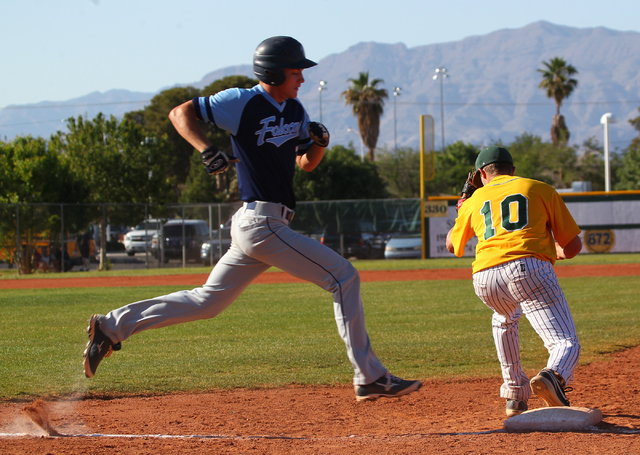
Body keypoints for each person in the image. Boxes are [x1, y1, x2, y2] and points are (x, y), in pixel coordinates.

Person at [83, 36, 421, 401]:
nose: (302, 79)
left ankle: (111, 326)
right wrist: (207, 149)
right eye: (296, 71)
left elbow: (305, 164)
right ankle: (370, 376)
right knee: (344, 277)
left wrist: (319, 143)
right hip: (260, 223)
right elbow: (180, 113)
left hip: (266, 225)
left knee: (207, 302)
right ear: (273, 72)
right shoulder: (242, 102)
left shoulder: (296, 111)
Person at [445, 146, 582, 418]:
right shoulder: (539, 188)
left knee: (505, 318)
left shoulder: (475, 199)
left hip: (484, 277)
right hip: (527, 269)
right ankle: (552, 376)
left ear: (482, 174)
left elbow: (452, 245)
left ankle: (515, 394)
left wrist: (463, 206)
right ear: (513, 170)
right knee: (565, 342)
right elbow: (573, 245)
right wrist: (550, 250)